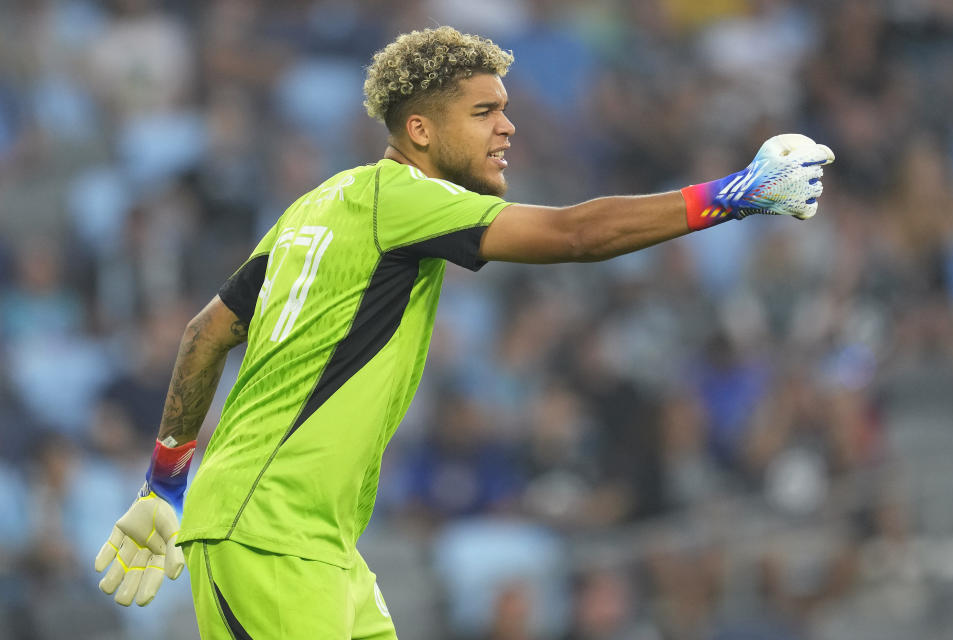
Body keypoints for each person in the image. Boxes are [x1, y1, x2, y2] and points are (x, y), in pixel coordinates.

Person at [93, 26, 834, 639]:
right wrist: (731, 197)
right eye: (483, 112)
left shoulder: (316, 206)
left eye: (505, 108)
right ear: (420, 129)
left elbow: (206, 331)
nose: (507, 125)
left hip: (320, 547)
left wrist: (165, 482)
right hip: (265, 535)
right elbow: (576, 234)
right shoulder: (406, 199)